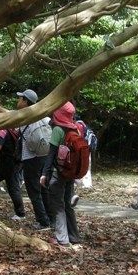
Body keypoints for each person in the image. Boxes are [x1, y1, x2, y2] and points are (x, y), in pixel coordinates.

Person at [0, 83, 52, 229]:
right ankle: (50, 219)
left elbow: (1, 111)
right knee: (42, 189)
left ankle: (43, 222)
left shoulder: (24, 115)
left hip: (31, 158)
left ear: (25, 101)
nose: (18, 101)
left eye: (20, 98)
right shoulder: (41, 115)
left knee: (33, 191)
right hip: (44, 156)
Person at [40, 102, 82, 247]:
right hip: (70, 172)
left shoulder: (58, 130)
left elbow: (51, 154)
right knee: (67, 205)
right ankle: (74, 236)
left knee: (57, 205)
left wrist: (44, 174)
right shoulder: (76, 129)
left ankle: (62, 238)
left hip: (59, 173)